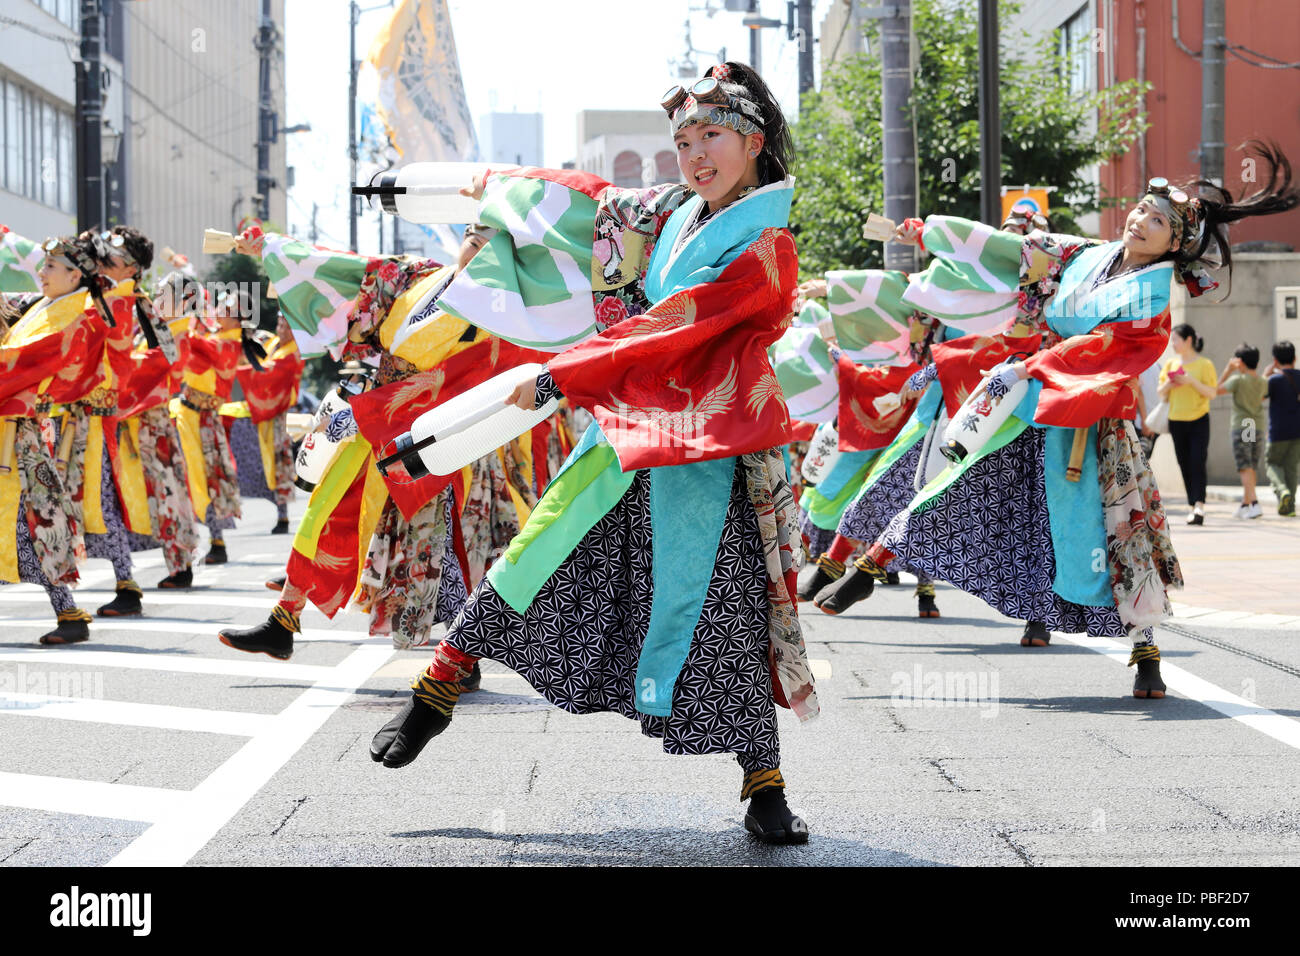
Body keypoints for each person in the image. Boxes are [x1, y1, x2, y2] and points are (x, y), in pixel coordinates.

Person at [368, 62, 817, 845]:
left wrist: (558, 376)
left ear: (752, 142)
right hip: (623, 428)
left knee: (728, 612)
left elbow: (671, 324)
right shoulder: (672, 214)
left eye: (711, 135)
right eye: (682, 140)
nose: (695, 153)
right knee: (536, 552)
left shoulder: (767, 250)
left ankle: (765, 783)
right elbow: (583, 201)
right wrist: (496, 202)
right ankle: (435, 691)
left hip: (713, 447)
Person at [863, 141, 1298, 699]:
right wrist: (925, 234)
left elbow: (1104, 349)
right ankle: (874, 564)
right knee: (957, 481)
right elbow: (1015, 248)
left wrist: (1033, 366)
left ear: (1175, 243)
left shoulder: (1149, 297)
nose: (1140, 221)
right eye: (1142, 209)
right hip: (1037, 395)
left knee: (1116, 533)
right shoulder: (1086, 253)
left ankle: (1145, 653)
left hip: (1095, 419)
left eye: (1158, 221)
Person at [0, 236, 109, 643]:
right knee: (30, 524)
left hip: (20, 433)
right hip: (16, 427)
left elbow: (22, 363)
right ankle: (68, 612)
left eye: (49, 267)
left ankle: (69, 612)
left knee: (29, 525)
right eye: (43, 266)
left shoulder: (71, 314)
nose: (41, 273)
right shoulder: (51, 305)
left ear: (74, 275)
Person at [228, 313, 304, 534]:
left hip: (277, 415)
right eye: (280, 323)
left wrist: (241, 370)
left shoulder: (293, 353)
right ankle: (273, 505)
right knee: (256, 461)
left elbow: (267, 373)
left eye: (287, 326)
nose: (282, 329)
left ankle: (283, 516)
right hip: (259, 413)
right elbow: (257, 358)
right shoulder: (272, 343)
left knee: (279, 462)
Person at [1158, 323, 1217, 525]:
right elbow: (1160, 392)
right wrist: (1171, 383)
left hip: (1199, 419)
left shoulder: (1205, 365)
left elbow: (1212, 393)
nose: (1173, 343)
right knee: (1184, 463)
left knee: (1197, 461)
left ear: (1188, 340)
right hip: (1176, 421)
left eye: (1176, 339)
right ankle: (1192, 506)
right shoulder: (1170, 364)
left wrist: (1191, 381)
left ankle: (1199, 506)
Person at [1216, 343, 1267, 518]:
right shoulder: (1262, 381)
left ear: (1240, 362)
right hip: (1257, 425)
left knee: (1244, 466)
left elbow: (1215, 390)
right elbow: (1261, 398)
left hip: (1243, 425)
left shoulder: (1237, 380)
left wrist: (1228, 370)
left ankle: (1254, 503)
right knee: (1251, 465)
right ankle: (1245, 504)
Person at [1263, 340, 1300, 515]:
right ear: (1295, 358)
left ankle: (1282, 490)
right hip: (1297, 431)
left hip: (1278, 431)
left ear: (1275, 360)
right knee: (1292, 468)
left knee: (1272, 463)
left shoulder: (1274, 380)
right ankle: (1290, 508)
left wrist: (1265, 375)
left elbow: (1259, 396)